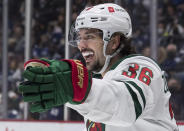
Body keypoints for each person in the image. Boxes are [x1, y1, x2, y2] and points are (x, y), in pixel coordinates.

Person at [19, 3, 178, 131]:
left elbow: (125, 104)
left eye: (89, 37)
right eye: (80, 38)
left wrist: (76, 87)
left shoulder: (142, 66)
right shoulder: (97, 80)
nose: (81, 45)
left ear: (114, 42)